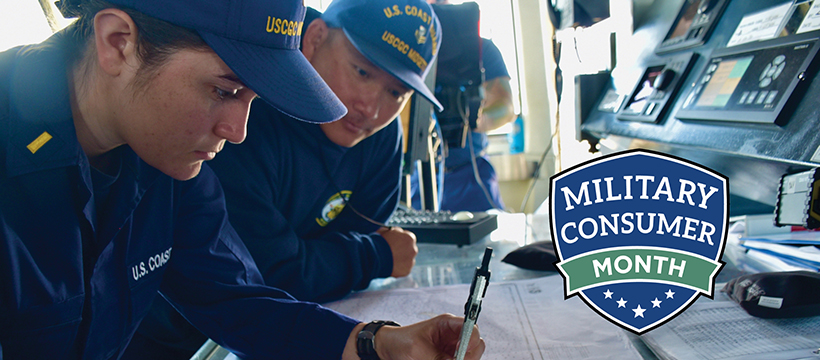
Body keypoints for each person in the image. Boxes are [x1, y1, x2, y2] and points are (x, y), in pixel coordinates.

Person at [0, 0, 486, 359]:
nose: (237, 132)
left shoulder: (166, 162)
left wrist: (376, 343)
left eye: (251, 98)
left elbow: (240, 301)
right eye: (224, 90)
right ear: (118, 43)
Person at [126, 0, 447, 357]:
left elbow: (251, 295)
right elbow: (268, 273)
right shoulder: (230, 123)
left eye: (396, 93)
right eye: (362, 72)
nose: (370, 109)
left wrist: (373, 340)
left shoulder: (380, 135)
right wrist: (372, 257)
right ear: (315, 38)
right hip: (161, 335)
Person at [412, 0, 516, 213]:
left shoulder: (482, 49)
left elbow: (505, 108)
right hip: (416, 180)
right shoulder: (404, 48)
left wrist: (469, 121)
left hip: (470, 178)